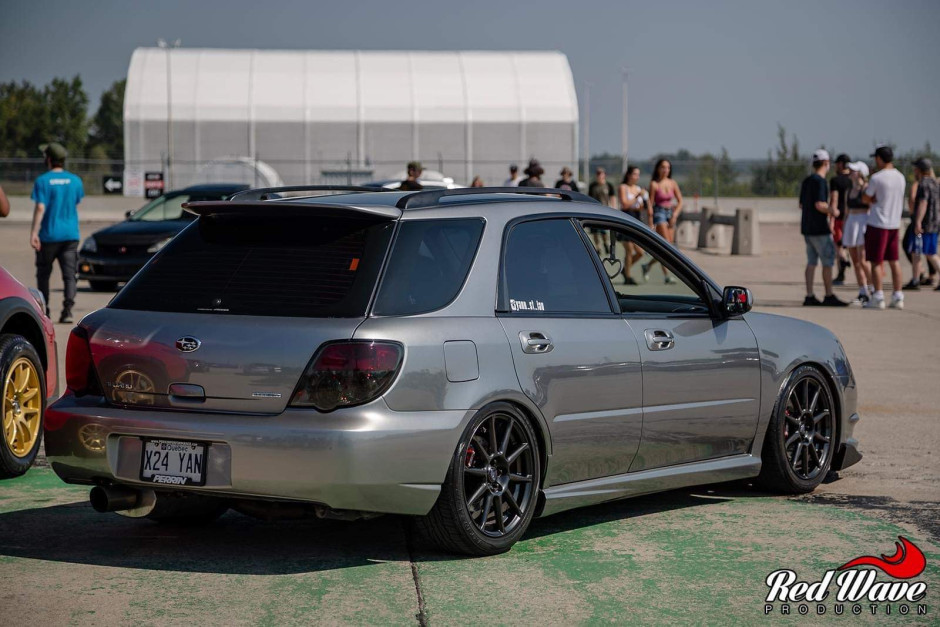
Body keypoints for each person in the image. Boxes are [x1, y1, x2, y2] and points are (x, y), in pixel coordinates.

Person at [30, 142, 83, 323]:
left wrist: (34, 233)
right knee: (69, 275)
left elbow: (40, 208)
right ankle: (67, 310)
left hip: (49, 236)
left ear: (49, 159)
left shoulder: (42, 181)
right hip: (70, 235)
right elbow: (75, 203)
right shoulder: (75, 180)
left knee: (44, 274)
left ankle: (46, 312)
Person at [798, 149, 847, 306]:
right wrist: (833, 211)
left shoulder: (807, 181)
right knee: (827, 261)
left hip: (807, 228)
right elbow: (819, 204)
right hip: (819, 228)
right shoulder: (820, 182)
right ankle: (828, 294)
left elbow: (801, 204)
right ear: (826, 163)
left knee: (811, 261)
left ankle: (809, 294)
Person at [862, 145, 907, 309]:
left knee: (875, 261)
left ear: (880, 159)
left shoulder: (877, 178)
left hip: (878, 222)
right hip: (894, 223)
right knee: (894, 261)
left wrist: (872, 199)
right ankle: (897, 295)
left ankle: (878, 295)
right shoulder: (900, 177)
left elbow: (866, 198)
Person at [643, 159, 683, 283]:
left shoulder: (672, 183)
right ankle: (666, 275)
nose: (666, 170)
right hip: (659, 212)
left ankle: (648, 265)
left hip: (670, 213)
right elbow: (650, 203)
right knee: (667, 244)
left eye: (668, 168)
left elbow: (680, 201)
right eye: (663, 167)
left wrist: (675, 214)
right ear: (658, 169)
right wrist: (650, 221)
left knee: (667, 248)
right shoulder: (654, 184)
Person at [843, 161, 873, 303]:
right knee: (855, 261)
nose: (851, 172)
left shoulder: (866, 188)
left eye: (854, 170)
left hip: (863, 222)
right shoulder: (849, 191)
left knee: (863, 260)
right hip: (851, 222)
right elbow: (846, 212)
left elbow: (872, 206)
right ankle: (863, 290)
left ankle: (873, 287)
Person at [909, 158, 940, 291]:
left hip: (925, 224)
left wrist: (918, 221)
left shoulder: (923, 184)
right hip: (934, 222)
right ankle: (915, 279)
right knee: (917, 251)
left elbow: (923, 203)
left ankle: (916, 279)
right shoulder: (935, 183)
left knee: (929, 253)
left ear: (920, 170)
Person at [617, 165, 648, 284]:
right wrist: (638, 196)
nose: (637, 177)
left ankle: (625, 269)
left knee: (640, 252)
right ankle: (628, 277)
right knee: (629, 250)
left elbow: (640, 207)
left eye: (638, 174)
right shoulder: (623, 187)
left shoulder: (638, 188)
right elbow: (624, 204)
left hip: (636, 219)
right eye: (635, 174)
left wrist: (644, 201)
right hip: (626, 218)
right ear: (629, 175)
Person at [829, 154, 853, 284]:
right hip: (852, 216)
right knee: (851, 247)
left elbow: (834, 199)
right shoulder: (853, 179)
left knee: (839, 246)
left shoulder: (835, 181)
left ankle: (842, 270)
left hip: (839, 217)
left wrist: (831, 219)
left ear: (841, 164)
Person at [587, 167, 615, 254]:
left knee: (603, 230)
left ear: (604, 175)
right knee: (594, 230)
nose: (599, 175)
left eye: (601, 173)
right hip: (594, 211)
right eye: (598, 173)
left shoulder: (608, 185)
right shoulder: (592, 186)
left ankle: (605, 243)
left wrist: (613, 209)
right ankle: (598, 247)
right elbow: (589, 198)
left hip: (604, 211)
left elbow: (612, 197)